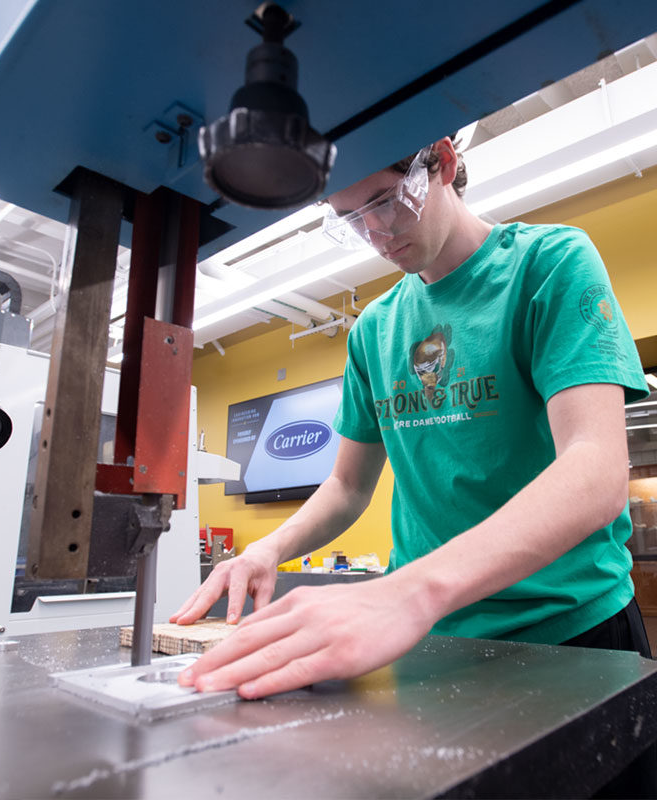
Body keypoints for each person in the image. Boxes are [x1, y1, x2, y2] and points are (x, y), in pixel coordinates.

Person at [171, 135, 654, 792]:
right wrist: (268, 549)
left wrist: (404, 592)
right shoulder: (375, 328)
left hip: (571, 631)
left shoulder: (549, 263)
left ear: (444, 166)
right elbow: (346, 485)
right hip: (438, 645)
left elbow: (595, 470)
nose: (375, 232)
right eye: (350, 218)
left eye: (385, 201)